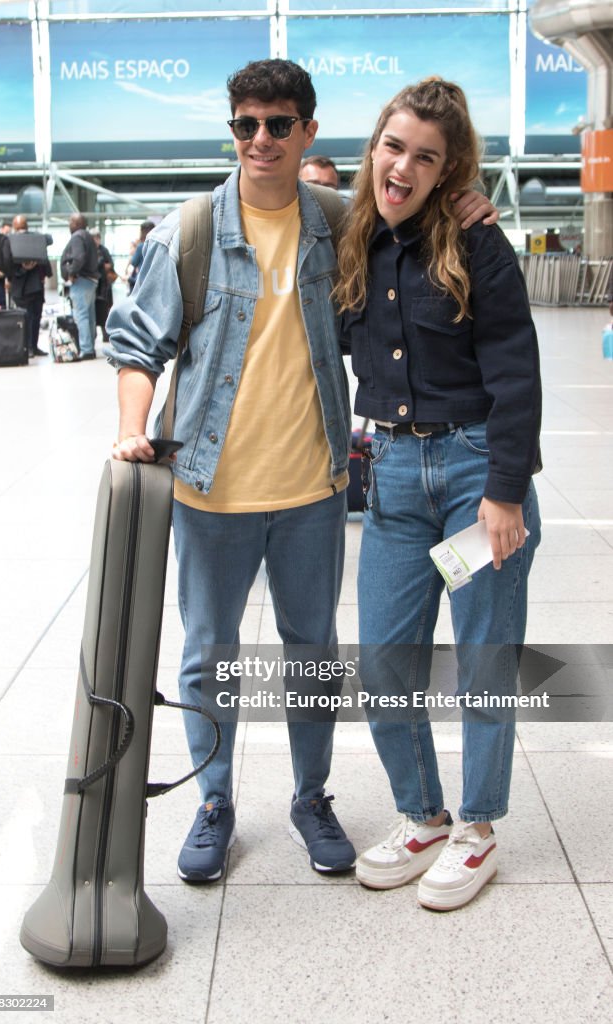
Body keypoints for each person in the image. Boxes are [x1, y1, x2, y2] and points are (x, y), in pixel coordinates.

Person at [106, 60, 497, 886]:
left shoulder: (338, 221)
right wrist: (131, 431)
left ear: (308, 132)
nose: (259, 140)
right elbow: (136, 345)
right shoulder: (192, 230)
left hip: (315, 490)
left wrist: (472, 202)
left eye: (277, 125)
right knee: (210, 655)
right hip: (210, 490)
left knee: (312, 654)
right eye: (244, 125)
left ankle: (311, 796)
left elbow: (417, 211)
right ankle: (214, 802)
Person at [336, 77, 542, 911]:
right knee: (386, 659)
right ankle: (422, 814)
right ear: (374, 149)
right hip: (391, 477)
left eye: (425, 156)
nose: (403, 166)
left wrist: (504, 493)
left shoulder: (475, 242)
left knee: (483, 657)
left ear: (449, 169)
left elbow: (516, 371)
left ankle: (479, 828)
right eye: (394, 147)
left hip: (470, 476)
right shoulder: (350, 234)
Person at [8, 214, 52, 358]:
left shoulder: (11, 241)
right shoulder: (36, 239)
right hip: (34, 287)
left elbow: (8, 265)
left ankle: (30, 347)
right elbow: (48, 244)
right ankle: (31, 347)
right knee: (34, 318)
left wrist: (23, 268)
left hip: (23, 288)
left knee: (27, 318)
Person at [60, 213, 99, 360]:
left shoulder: (77, 237)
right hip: (91, 280)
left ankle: (86, 349)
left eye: (71, 221)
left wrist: (71, 272)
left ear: (77, 224)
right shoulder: (88, 236)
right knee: (89, 316)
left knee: (81, 316)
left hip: (81, 280)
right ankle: (90, 347)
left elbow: (78, 257)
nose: (69, 223)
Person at [91, 231, 116, 344]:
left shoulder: (103, 250)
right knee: (94, 310)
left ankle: (105, 334)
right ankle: (94, 334)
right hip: (94, 285)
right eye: (94, 238)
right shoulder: (89, 250)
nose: (96, 240)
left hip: (104, 286)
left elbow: (110, 264)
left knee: (105, 310)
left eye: (97, 237)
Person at [125, 221, 154, 293]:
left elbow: (134, 262)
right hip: (154, 279)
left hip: (142, 280)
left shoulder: (141, 246)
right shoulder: (156, 245)